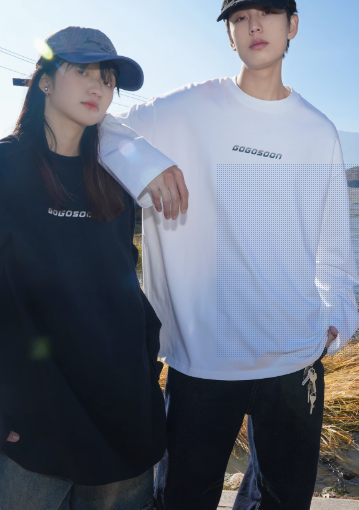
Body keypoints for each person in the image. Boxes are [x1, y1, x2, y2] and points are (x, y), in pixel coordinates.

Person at [99, 1, 359, 509]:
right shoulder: (184, 109)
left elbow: (332, 244)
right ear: (229, 35)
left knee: (284, 500)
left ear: (293, 26)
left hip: (294, 360)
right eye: (240, 17)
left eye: (269, 12)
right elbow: (100, 126)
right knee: (182, 499)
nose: (254, 24)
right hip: (202, 359)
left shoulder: (317, 131)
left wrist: (338, 318)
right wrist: (146, 164)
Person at [0, 27, 188, 510]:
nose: (99, 86)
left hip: (122, 425)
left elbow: (123, 287)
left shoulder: (114, 179)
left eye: (108, 78)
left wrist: (145, 370)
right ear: (45, 82)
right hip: (31, 431)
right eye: (83, 71)